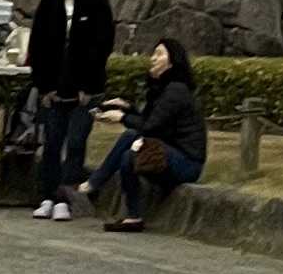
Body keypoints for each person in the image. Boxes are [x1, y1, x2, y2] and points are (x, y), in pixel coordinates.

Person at [26, 0, 113, 222]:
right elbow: (38, 46)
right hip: (53, 87)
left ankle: (65, 196)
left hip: (85, 90)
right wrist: (43, 86)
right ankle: (46, 196)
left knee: (75, 143)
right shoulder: (49, 1)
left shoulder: (97, 3)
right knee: (52, 143)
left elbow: (101, 47)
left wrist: (88, 87)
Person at [87, 37, 205, 232]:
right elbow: (150, 121)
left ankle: (96, 183)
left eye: (159, 54)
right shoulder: (163, 89)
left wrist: (122, 117)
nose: (152, 59)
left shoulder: (176, 90)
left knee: (131, 146)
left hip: (187, 163)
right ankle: (133, 216)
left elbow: (150, 127)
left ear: (172, 60)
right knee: (128, 153)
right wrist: (127, 108)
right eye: (153, 54)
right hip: (168, 153)